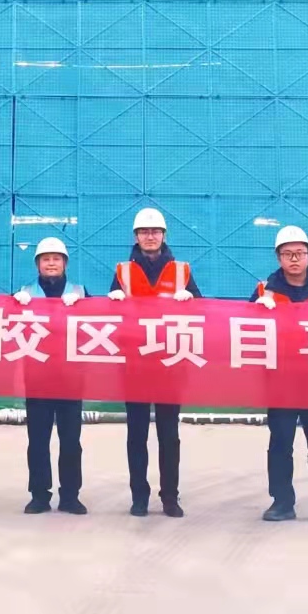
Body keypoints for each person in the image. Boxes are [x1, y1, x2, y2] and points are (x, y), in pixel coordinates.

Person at [108, 206, 199, 517]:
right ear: (136, 237)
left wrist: (191, 300)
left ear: (163, 235)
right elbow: (111, 319)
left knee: (169, 435)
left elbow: (201, 314)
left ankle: (170, 497)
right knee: (136, 435)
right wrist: (113, 301)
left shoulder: (181, 271)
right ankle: (139, 497)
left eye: (155, 231)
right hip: (134, 365)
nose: (150, 236)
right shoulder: (122, 272)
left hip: (170, 363)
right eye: (144, 232)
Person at [252, 225, 308, 525]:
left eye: (300, 253)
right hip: (280, 382)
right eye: (287, 254)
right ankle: (281, 502)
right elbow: (243, 332)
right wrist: (257, 311)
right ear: (278, 257)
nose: (294, 259)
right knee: (281, 443)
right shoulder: (264, 291)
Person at [13, 237, 87, 514]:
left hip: (71, 378)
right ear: (38, 264)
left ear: (65, 263)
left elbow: (96, 327)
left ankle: (70, 495)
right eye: (46, 259)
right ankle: (39, 495)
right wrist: (16, 306)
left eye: (56, 259)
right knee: (38, 440)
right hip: (37, 377)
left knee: (71, 441)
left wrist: (84, 305)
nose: (51, 263)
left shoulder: (80, 292)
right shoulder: (25, 293)